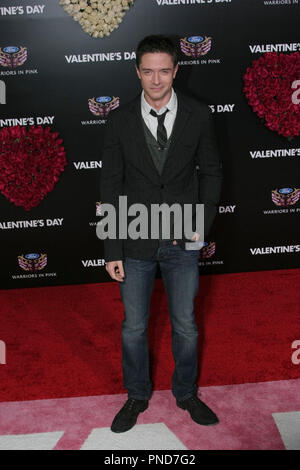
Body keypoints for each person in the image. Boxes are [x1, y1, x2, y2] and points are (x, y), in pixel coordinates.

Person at [100, 35, 222, 433]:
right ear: (137, 71)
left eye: (164, 71)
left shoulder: (199, 114)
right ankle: (136, 393)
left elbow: (212, 173)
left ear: (176, 71)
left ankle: (185, 392)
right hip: (133, 237)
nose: (156, 80)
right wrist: (111, 246)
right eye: (148, 71)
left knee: (185, 322)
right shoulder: (118, 120)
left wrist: (199, 227)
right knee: (133, 325)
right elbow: (111, 183)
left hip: (181, 238)